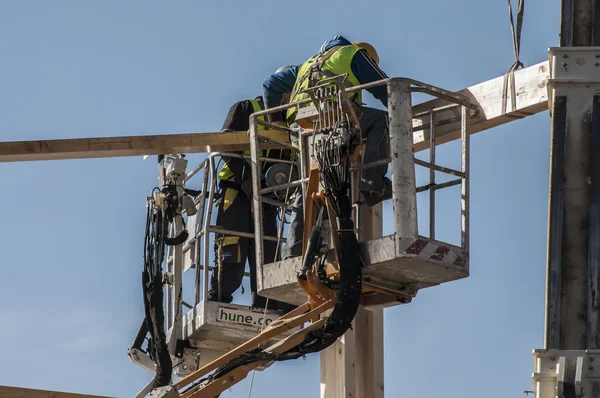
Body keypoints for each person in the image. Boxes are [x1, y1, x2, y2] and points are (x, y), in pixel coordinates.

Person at [262, 36, 393, 259]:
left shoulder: (308, 63)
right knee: (382, 121)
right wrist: (406, 116)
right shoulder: (353, 55)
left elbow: (270, 84)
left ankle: (295, 251)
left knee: (312, 183)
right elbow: (386, 90)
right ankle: (371, 185)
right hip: (333, 117)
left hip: (301, 127)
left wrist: (277, 122)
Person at [208, 72, 296, 313]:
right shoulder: (248, 108)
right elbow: (225, 144)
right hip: (237, 192)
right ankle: (218, 301)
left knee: (267, 256)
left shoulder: (290, 123)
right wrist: (247, 178)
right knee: (231, 250)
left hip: (267, 199)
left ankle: (267, 308)